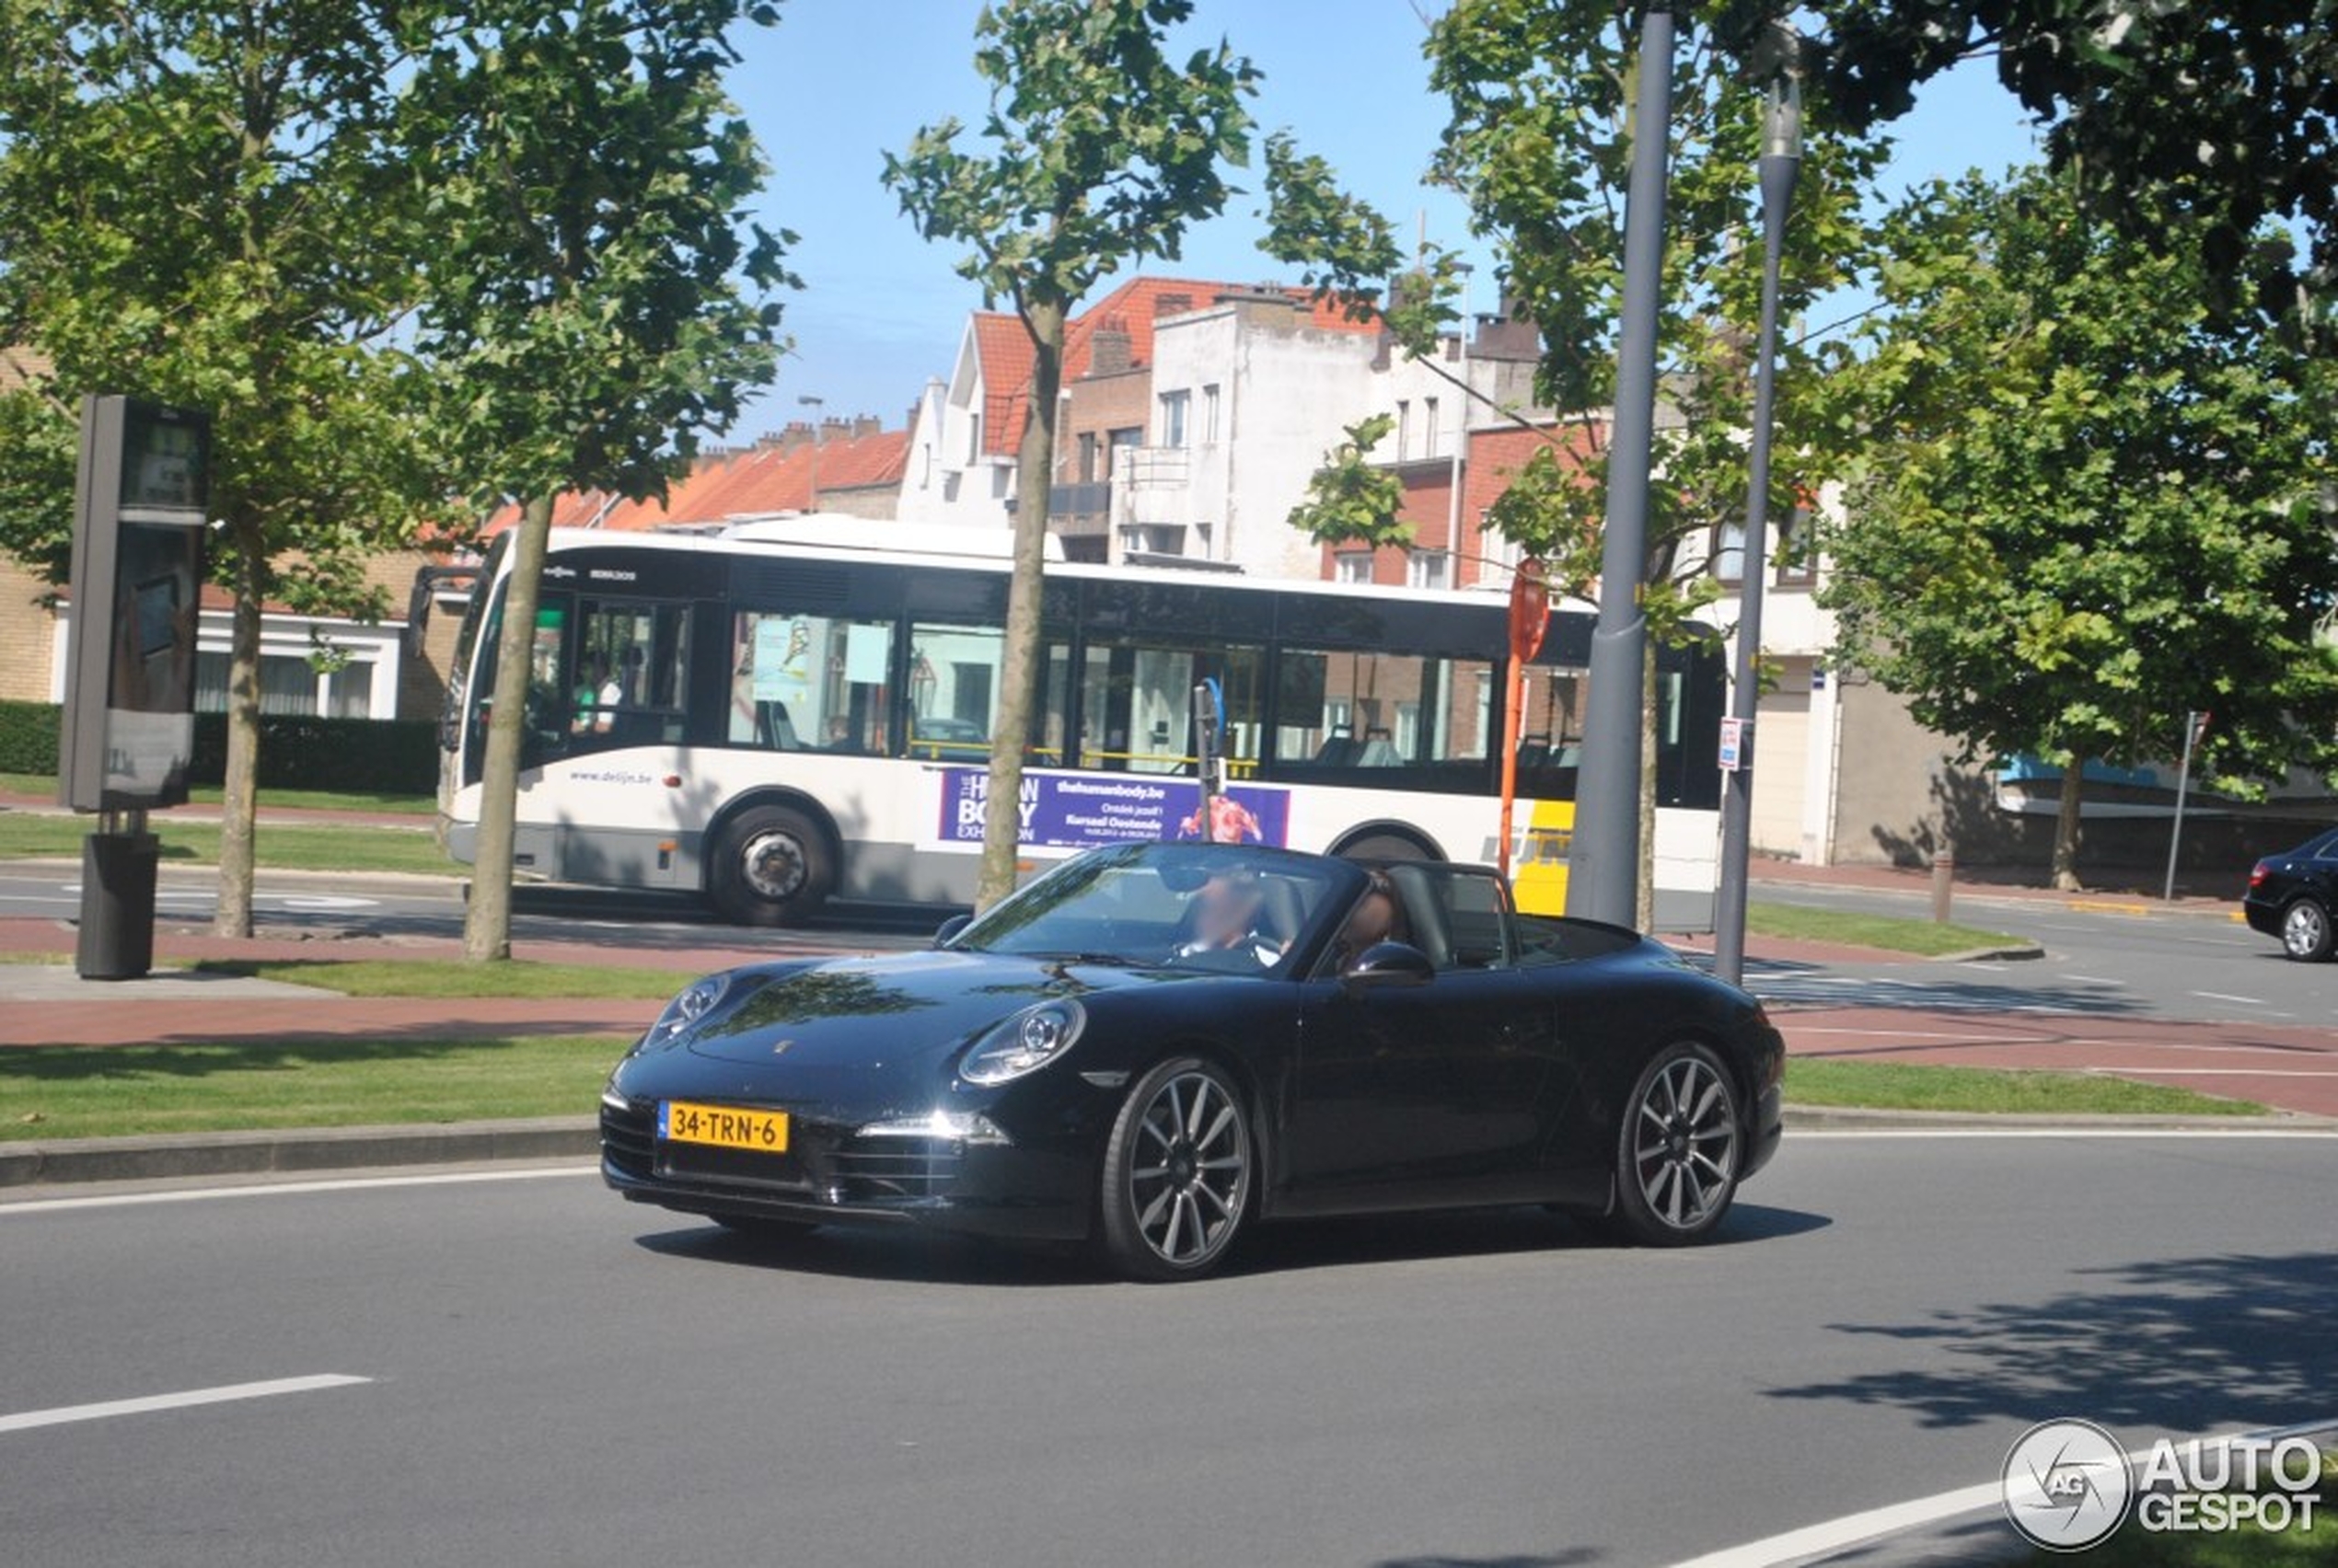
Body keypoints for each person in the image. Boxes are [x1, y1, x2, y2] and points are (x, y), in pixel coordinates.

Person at [1174, 870, 1283, 967]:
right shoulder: (1177, 956)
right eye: (1205, 906)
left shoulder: (1274, 963)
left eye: (1215, 907)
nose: (1206, 917)